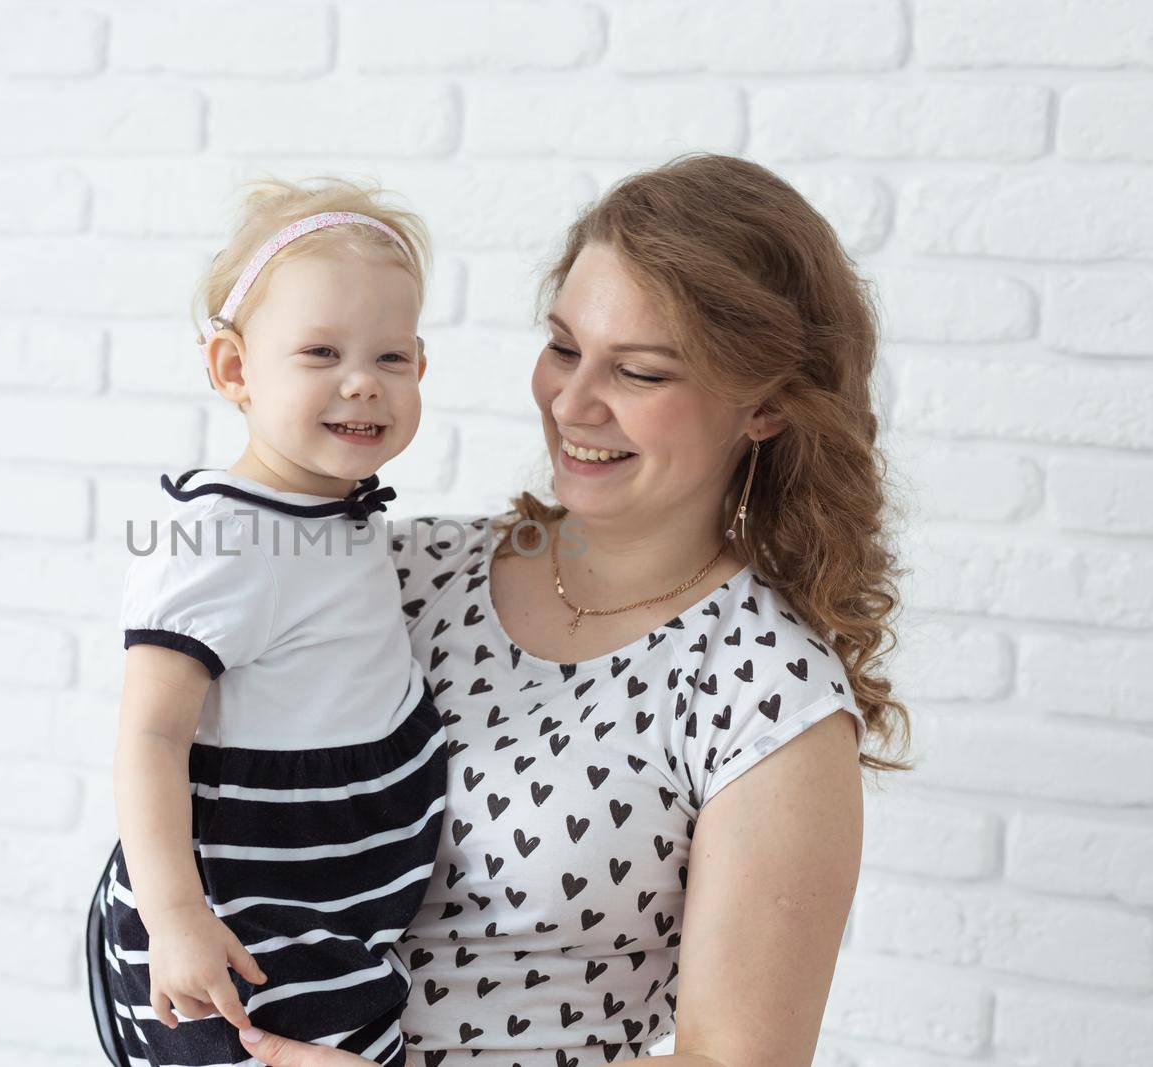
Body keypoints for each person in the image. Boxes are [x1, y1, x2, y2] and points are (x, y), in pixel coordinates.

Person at [232, 154, 913, 1067]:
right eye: (562, 347)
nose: (572, 401)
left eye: (638, 372)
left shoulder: (767, 695)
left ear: (767, 408)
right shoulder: (398, 571)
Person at [87, 177, 447, 1067]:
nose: (362, 383)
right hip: (238, 930)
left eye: (391, 358)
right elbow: (151, 734)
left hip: (330, 919)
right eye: (320, 352)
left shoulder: (335, 512)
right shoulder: (220, 534)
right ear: (235, 370)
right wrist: (176, 916)